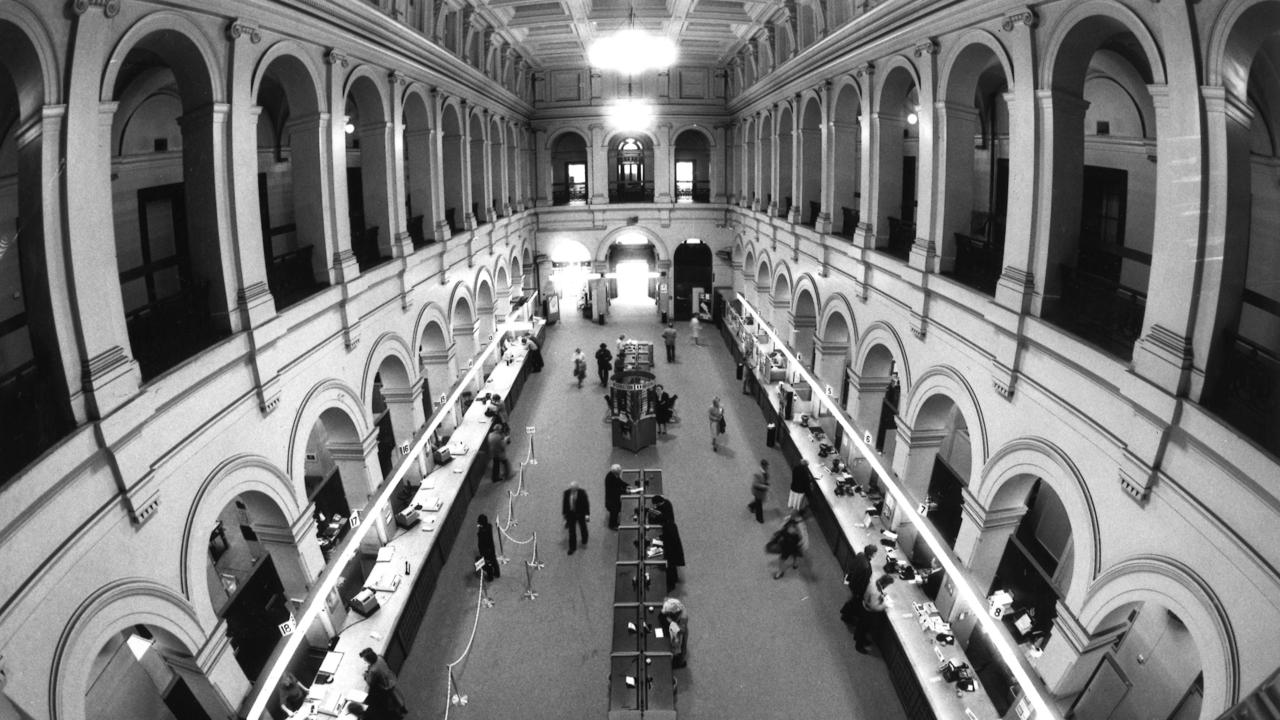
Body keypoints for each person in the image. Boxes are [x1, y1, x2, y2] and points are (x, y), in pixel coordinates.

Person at [647, 495, 685, 591]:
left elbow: (665, 535)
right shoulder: (667, 503)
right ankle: (674, 579)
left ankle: (671, 584)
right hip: (672, 540)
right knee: (672, 564)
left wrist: (657, 540)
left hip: (671, 546)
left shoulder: (667, 524)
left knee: (670, 564)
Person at [359, 648, 407, 718]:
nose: (364, 661)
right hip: (391, 678)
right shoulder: (379, 657)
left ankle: (398, 714)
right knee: (396, 694)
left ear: (369, 660)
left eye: (365, 659)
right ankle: (403, 708)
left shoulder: (373, 670)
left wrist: (365, 676)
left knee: (391, 700)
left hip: (385, 686)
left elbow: (370, 682)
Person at [855, 574, 896, 654]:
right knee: (863, 628)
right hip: (868, 611)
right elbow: (874, 607)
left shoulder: (874, 583)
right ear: (885, 583)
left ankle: (857, 636)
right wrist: (885, 605)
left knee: (860, 626)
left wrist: (881, 595)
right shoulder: (876, 592)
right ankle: (859, 646)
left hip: (863, 605)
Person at [840, 544, 878, 625]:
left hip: (851, 580)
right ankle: (846, 616)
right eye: (875, 553)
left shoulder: (860, 555)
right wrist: (860, 593)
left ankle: (844, 611)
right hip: (856, 588)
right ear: (872, 554)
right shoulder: (867, 567)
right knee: (853, 602)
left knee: (851, 600)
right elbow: (863, 582)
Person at [771, 510, 809, 578]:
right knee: (795, 554)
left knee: (782, 559)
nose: (790, 515)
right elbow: (783, 525)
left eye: (792, 515)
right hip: (790, 543)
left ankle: (780, 572)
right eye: (791, 514)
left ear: (796, 516)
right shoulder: (791, 519)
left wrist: (803, 546)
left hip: (790, 545)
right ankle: (795, 564)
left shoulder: (800, 525)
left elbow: (804, 537)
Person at [660, 597, 690, 668]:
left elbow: (681, 631)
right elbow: (665, 599)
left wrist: (671, 623)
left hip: (680, 629)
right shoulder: (671, 602)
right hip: (675, 624)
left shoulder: (683, 617)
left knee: (681, 645)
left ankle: (680, 662)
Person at [562, 481, 590, 554]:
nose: (572, 491)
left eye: (574, 489)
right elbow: (565, 505)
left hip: (580, 513)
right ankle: (572, 548)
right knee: (572, 532)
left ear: (577, 488)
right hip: (571, 514)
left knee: (583, 527)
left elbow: (586, 504)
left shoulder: (582, 493)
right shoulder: (566, 493)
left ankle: (584, 539)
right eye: (571, 489)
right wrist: (565, 517)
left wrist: (587, 514)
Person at [477, 513, 499, 580]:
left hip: (485, 550)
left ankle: (490, 576)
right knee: (493, 560)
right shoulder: (489, 526)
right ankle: (497, 573)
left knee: (487, 562)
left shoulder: (481, 532)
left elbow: (481, 543)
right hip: (491, 548)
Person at [604, 464, 627, 530]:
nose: (620, 473)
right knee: (614, 512)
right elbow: (616, 491)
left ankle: (615, 522)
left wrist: (626, 485)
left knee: (616, 511)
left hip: (614, 499)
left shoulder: (613, 475)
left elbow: (619, 482)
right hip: (611, 501)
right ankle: (612, 525)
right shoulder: (610, 479)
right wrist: (625, 491)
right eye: (619, 472)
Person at [748, 459, 770, 523]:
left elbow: (766, 478)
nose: (767, 467)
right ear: (763, 466)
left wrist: (766, 484)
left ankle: (751, 506)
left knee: (758, 502)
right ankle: (759, 518)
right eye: (766, 466)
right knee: (759, 506)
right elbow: (755, 484)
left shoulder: (766, 472)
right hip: (757, 491)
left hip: (762, 492)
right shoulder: (757, 473)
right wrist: (764, 486)